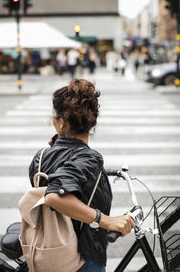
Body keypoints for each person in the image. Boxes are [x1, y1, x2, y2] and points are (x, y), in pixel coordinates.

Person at [29, 78, 135, 272]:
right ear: (91, 122)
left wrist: (58, 146)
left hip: (45, 250)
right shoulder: (89, 159)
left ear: (60, 123)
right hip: (81, 259)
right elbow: (53, 195)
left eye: (53, 116)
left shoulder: (41, 156)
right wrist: (106, 220)